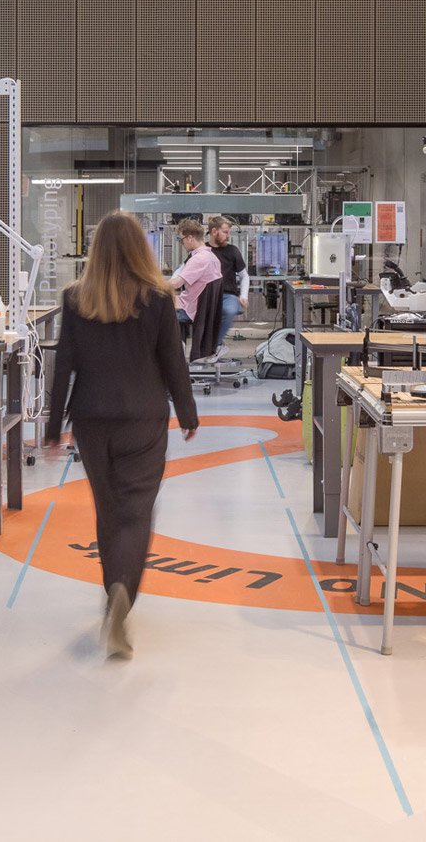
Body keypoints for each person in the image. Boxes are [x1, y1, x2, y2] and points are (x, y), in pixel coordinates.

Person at [42, 209, 197, 659]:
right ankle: (121, 595)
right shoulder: (158, 298)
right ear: (140, 248)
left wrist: (53, 426)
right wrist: (186, 413)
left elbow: (63, 366)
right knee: (136, 513)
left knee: (108, 511)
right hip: (143, 419)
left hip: (91, 422)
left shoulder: (75, 299)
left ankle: (114, 591)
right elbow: (173, 361)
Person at [170, 219, 220, 333]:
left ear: (190, 238)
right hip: (201, 309)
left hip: (189, 310)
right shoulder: (213, 258)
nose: (182, 244)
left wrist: (151, 283)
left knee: (148, 311)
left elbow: (176, 284)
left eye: (181, 240)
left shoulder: (198, 259)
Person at [207, 217, 246, 351]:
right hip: (208, 295)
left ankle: (214, 347)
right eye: (225, 232)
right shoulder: (203, 251)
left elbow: (244, 276)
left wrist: (244, 295)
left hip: (228, 295)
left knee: (229, 311)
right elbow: (184, 269)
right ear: (214, 231)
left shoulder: (233, 251)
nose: (228, 236)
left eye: (229, 232)